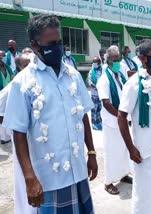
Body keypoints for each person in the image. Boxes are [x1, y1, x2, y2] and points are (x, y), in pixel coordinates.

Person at [3, 14, 97, 213]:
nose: (58, 48)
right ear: (35, 45)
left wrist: (91, 152)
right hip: (50, 178)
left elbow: (83, 116)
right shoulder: (23, 82)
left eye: (60, 42)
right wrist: (29, 177)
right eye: (51, 43)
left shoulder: (73, 75)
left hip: (78, 169)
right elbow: (18, 133)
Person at [118, 39, 151, 214]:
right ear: (142, 58)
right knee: (144, 194)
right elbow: (121, 115)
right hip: (144, 151)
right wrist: (131, 148)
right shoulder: (134, 83)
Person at [0, 51, 37, 214]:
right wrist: (12, 125)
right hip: (22, 140)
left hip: (38, 141)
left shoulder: (37, 83)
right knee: (25, 179)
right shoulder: (15, 85)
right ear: (20, 68)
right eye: (26, 65)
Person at [96, 45, 132, 195]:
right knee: (112, 152)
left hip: (122, 121)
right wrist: (119, 116)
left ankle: (123, 174)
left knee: (123, 150)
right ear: (109, 61)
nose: (117, 63)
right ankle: (108, 181)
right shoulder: (104, 80)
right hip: (112, 122)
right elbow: (106, 102)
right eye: (115, 60)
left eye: (118, 60)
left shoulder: (120, 76)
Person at [87, 57, 103, 130]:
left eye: (95, 63)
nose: (94, 64)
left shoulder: (103, 71)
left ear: (99, 63)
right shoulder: (91, 71)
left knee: (100, 109)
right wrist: (95, 86)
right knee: (94, 109)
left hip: (102, 94)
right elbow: (89, 81)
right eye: (93, 62)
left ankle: (99, 123)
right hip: (94, 94)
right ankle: (94, 124)